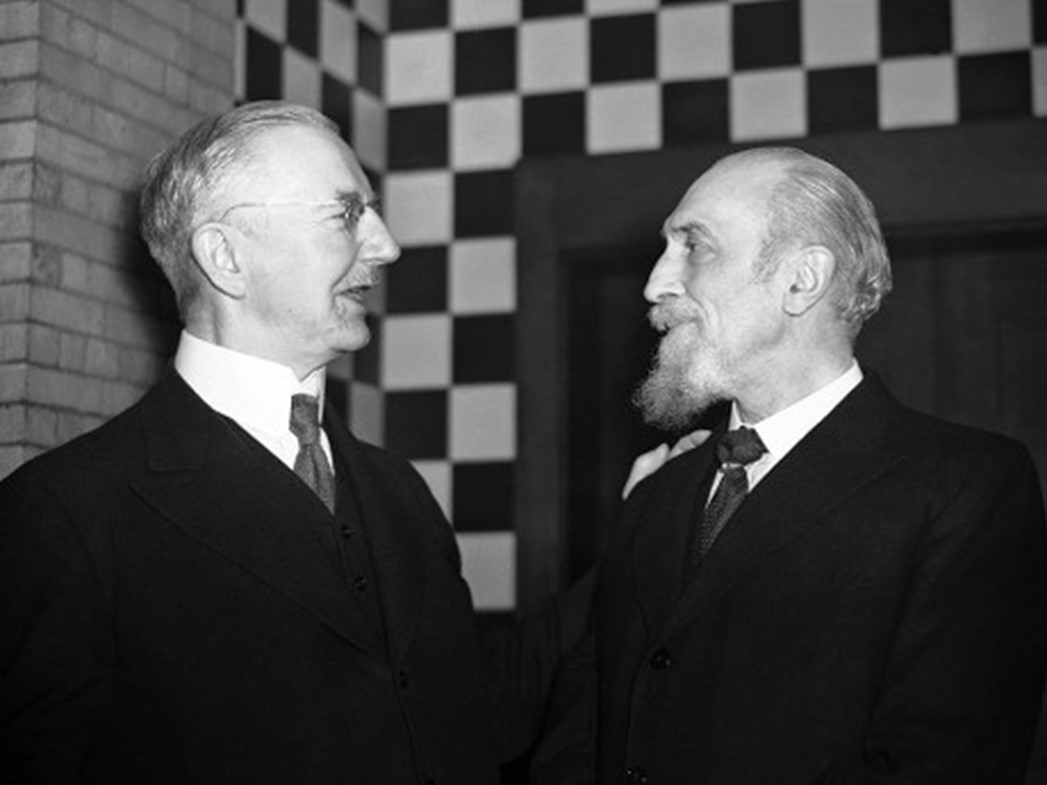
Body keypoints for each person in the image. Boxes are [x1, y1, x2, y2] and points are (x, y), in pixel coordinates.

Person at [0, 101, 567, 784]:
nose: (386, 245)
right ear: (226, 257)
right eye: (347, 213)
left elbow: (474, 715)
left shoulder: (400, 492)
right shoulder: (65, 515)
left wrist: (642, 530)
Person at [534, 147, 1047, 785]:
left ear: (802, 280)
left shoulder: (964, 487)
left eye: (694, 247)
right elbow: (583, 732)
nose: (656, 283)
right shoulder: (658, 490)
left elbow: (943, 765)